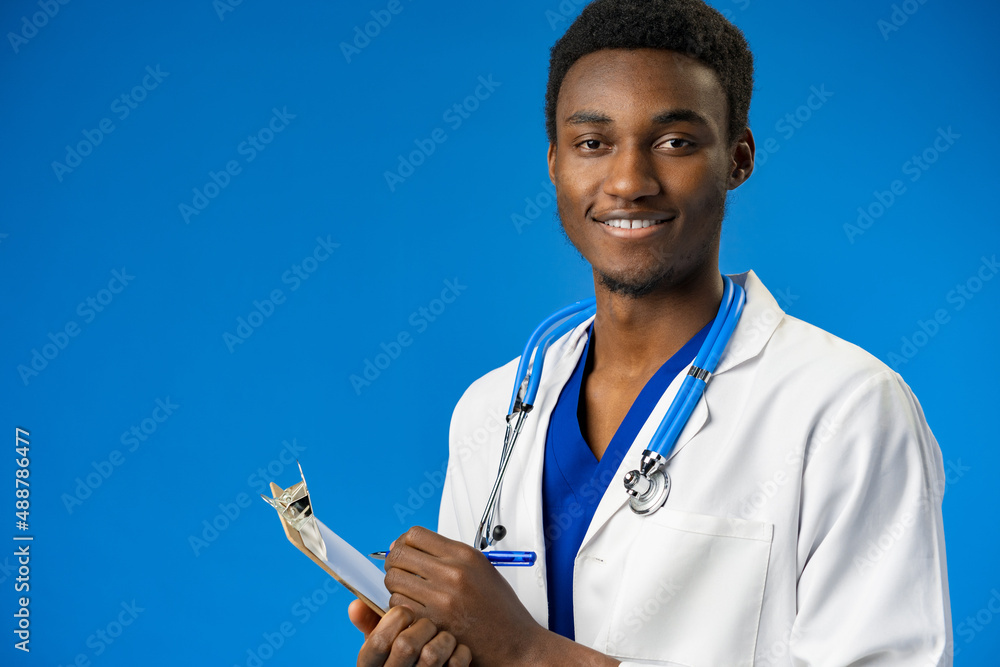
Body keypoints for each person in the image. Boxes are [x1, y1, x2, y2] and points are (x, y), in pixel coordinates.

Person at [349, 0, 952, 664]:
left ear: (738, 158)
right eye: (593, 142)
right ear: (554, 163)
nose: (629, 181)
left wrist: (527, 652)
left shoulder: (849, 410)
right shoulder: (491, 412)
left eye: (675, 142)